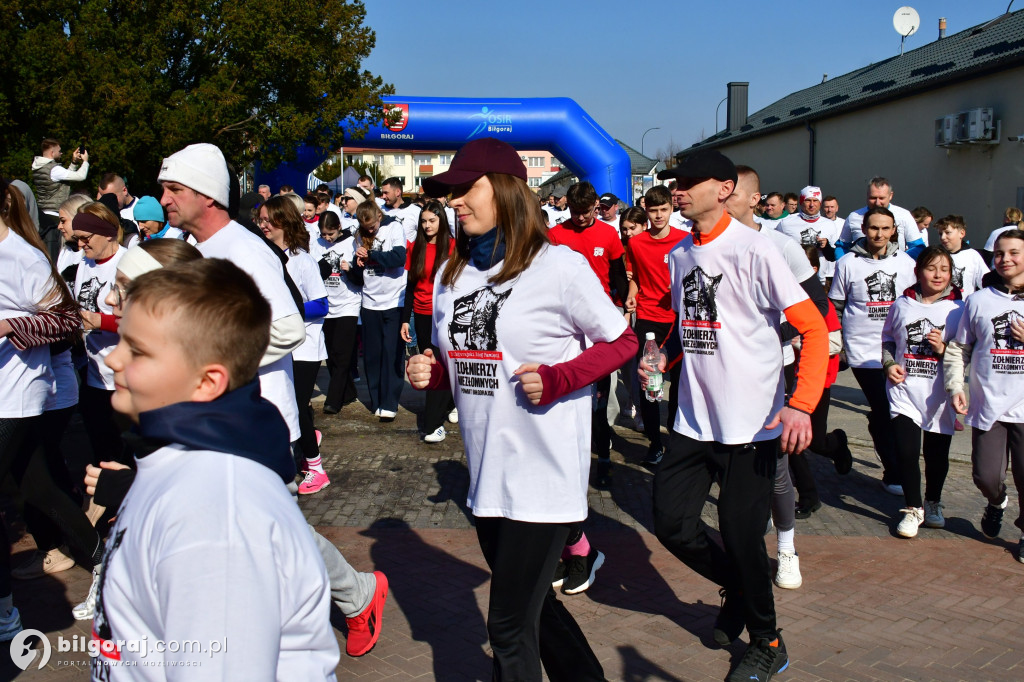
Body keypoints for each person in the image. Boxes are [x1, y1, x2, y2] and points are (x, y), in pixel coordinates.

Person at [408, 137, 635, 680]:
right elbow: (468, 360)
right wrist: (434, 373)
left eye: (466, 189)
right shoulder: (450, 276)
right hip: (487, 477)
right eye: (450, 193)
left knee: (507, 627)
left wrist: (561, 377)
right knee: (537, 612)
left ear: (507, 192)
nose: (454, 202)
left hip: (544, 474)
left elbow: (622, 341)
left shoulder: (559, 266)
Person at [91, 259, 339, 678]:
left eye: (137, 349)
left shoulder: (214, 516)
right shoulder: (179, 468)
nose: (114, 360)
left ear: (207, 382)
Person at [642, 149, 828, 682]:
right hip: (692, 422)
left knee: (742, 536)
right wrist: (659, 358)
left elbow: (813, 330)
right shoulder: (679, 254)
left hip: (754, 426)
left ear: (724, 189)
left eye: (689, 182)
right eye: (675, 182)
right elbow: (692, 327)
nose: (677, 190)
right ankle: (742, 593)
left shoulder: (756, 250)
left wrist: (801, 406)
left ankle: (768, 641)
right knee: (672, 525)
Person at [724, 166, 839, 590]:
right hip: (726, 374)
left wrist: (774, 332)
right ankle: (746, 541)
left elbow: (819, 304)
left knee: (775, 464)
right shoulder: (703, 245)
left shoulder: (782, 245)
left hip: (778, 366)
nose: (721, 201)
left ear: (754, 199)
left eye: (730, 194)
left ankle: (787, 549)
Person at [0, 177, 104, 639]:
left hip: (18, 393)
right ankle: (105, 560)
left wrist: (7, 325)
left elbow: (63, 321)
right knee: (38, 488)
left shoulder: (23, 255)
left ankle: (6, 612)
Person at [157, 142, 305, 448]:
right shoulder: (196, 248)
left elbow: (288, 329)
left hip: (258, 427)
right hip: (221, 423)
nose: (164, 199)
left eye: (174, 189)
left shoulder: (243, 248)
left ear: (207, 194)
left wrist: (212, 362)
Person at [944, 229, 1024, 562]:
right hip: (989, 405)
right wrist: (956, 386)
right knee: (985, 476)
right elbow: (958, 349)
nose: (1005, 259)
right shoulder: (978, 300)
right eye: (1000, 253)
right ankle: (996, 502)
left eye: (1014, 253)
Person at [830, 207, 917, 495]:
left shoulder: (905, 263)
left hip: (896, 351)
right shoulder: (848, 263)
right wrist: (838, 346)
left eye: (885, 228)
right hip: (863, 351)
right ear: (864, 230)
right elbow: (837, 308)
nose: (879, 234)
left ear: (894, 230)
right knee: (883, 406)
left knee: (895, 410)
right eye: (873, 228)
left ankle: (891, 455)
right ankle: (893, 470)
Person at [548, 180, 629, 487]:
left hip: (599, 323)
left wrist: (625, 305)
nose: (579, 218)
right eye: (574, 212)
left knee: (600, 395)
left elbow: (618, 273)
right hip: (565, 326)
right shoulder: (556, 234)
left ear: (596, 206)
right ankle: (565, 457)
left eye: (585, 212)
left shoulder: (608, 234)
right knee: (568, 390)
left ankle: (604, 457)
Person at [882, 246, 964, 537]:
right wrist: (889, 363)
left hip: (939, 395)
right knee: (905, 451)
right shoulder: (902, 304)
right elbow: (888, 339)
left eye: (944, 269)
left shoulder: (959, 309)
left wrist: (944, 350)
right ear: (918, 272)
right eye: (932, 268)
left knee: (936, 455)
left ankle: (933, 502)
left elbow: (967, 352)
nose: (938, 275)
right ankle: (913, 508)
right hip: (904, 391)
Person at [259, 196, 331, 494]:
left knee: (298, 404)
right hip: (280, 346)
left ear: (283, 222)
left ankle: (316, 468)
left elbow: (322, 305)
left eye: (267, 220)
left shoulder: (303, 261)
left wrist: (290, 310)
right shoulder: (264, 257)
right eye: (259, 219)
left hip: (306, 345)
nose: (262, 225)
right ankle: (306, 437)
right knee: (288, 404)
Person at [625, 184, 687, 468]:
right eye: (653, 211)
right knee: (649, 383)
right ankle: (654, 443)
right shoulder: (636, 243)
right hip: (649, 319)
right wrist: (630, 295)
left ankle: (677, 441)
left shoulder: (686, 240)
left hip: (678, 319)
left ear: (672, 209)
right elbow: (635, 276)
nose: (659, 216)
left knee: (678, 385)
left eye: (664, 210)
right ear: (646, 211)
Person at [72, 202, 128, 467]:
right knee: (100, 452)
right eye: (78, 238)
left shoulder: (127, 263)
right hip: (94, 374)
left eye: (86, 237)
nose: (81, 244)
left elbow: (146, 322)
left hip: (124, 378)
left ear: (107, 232)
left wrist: (99, 321)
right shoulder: (85, 263)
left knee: (124, 455)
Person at [401, 200, 455, 442]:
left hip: (445, 316)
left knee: (448, 364)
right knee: (431, 365)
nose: (427, 225)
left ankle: (434, 423)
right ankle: (440, 414)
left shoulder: (454, 247)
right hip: (422, 316)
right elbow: (411, 286)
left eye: (432, 220)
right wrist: (405, 320)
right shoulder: (415, 247)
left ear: (442, 220)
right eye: (423, 221)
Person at [348, 200, 407, 421]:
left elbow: (399, 258)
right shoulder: (357, 236)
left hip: (393, 301)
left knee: (392, 353)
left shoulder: (394, 227)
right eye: (365, 228)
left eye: (372, 226)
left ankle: (390, 402)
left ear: (378, 217)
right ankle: (377, 400)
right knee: (372, 356)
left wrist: (371, 255)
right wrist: (356, 262)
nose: (369, 230)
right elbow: (357, 275)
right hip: (370, 303)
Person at [317, 211, 362, 415]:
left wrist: (350, 269)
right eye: (324, 234)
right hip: (327, 306)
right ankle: (349, 392)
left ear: (338, 228)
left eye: (331, 234)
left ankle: (333, 399)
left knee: (342, 353)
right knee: (331, 354)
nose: (327, 238)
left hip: (348, 304)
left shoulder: (351, 243)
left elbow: (360, 277)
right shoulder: (316, 244)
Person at [31, 138, 90, 262]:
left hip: (43, 213)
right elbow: (80, 176)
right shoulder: (53, 169)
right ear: (52, 153)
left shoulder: (38, 168)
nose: (61, 153)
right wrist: (85, 162)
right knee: (56, 251)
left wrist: (74, 163)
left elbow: (63, 177)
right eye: (59, 151)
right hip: (54, 215)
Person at [837, 177, 925, 257]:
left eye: (881, 198)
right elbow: (842, 246)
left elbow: (918, 247)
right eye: (873, 198)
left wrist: (901, 261)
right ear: (867, 195)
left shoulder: (904, 215)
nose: (877, 203)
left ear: (890, 196)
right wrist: (844, 263)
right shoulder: (854, 217)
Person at [776, 186, 840, 286]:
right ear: (801, 202)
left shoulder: (829, 225)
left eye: (815, 200)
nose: (811, 204)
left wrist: (826, 246)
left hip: (820, 281)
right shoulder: (786, 223)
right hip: (793, 280)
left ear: (820, 203)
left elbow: (833, 256)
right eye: (808, 200)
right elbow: (776, 250)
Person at [936, 214, 987, 297]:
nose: (943, 237)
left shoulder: (972, 256)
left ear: (962, 233)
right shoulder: (935, 255)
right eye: (940, 234)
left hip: (964, 307)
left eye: (947, 233)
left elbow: (986, 284)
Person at [381, 176, 420, 241]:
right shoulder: (380, 210)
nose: (383, 196)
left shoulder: (415, 211)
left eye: (386, 193)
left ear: (398, 192)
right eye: (382, 193)